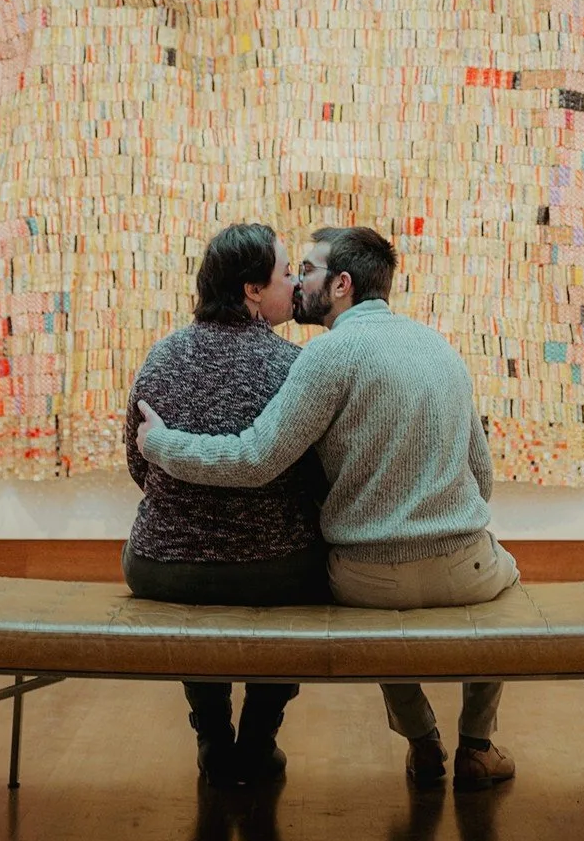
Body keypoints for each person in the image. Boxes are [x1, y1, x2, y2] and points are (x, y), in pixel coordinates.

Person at [138, 224, 520, 793]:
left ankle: (422, 741)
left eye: (307, 271)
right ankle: (477, 745)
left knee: (377, 609)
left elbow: (254, 460)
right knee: (504, 583)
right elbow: (482, 479)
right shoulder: (440, 347)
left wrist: (162, 445)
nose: (297, 286)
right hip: (465, 570)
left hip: (366, 579)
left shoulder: (325, 356)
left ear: (341, 284)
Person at [123, 222, 329, 789]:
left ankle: (213, 737)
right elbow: (316, 478)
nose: (295, 285)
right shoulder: (293, 367)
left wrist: (189, 516)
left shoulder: (162, 357)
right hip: (277, 571)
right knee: (309, 579)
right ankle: (259, 740)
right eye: (286, 274)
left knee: (198, 600)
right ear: (251, 291)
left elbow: (140, 463)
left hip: (163, 569)